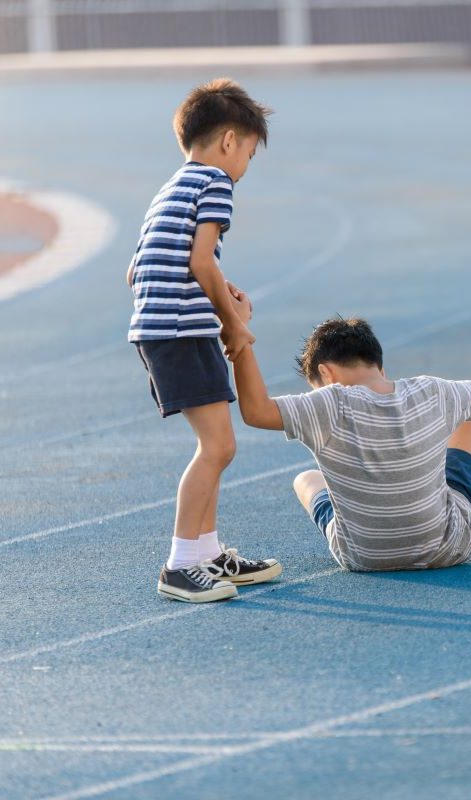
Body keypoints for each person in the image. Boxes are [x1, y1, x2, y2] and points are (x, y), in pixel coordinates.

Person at [127, 78, 281, 602]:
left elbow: (138, 270)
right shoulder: (215, 182)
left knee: (219, 445)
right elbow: (197, 261)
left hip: (162, 327)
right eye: (250, 156)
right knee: (217, 445)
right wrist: (233, 324)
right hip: (179, 331)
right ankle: (179, 564)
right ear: (231, 140)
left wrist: (218, 285)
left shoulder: (170, 187)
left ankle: (208, 554)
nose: (244, 169)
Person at [228, 308, 471, 571]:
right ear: (381, 368)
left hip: (363, 556)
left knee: (305, 479)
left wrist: (240, 341)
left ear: (325, 374)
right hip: (447, 548)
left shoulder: (327, 405)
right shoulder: (432, 391)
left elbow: (255, 411)